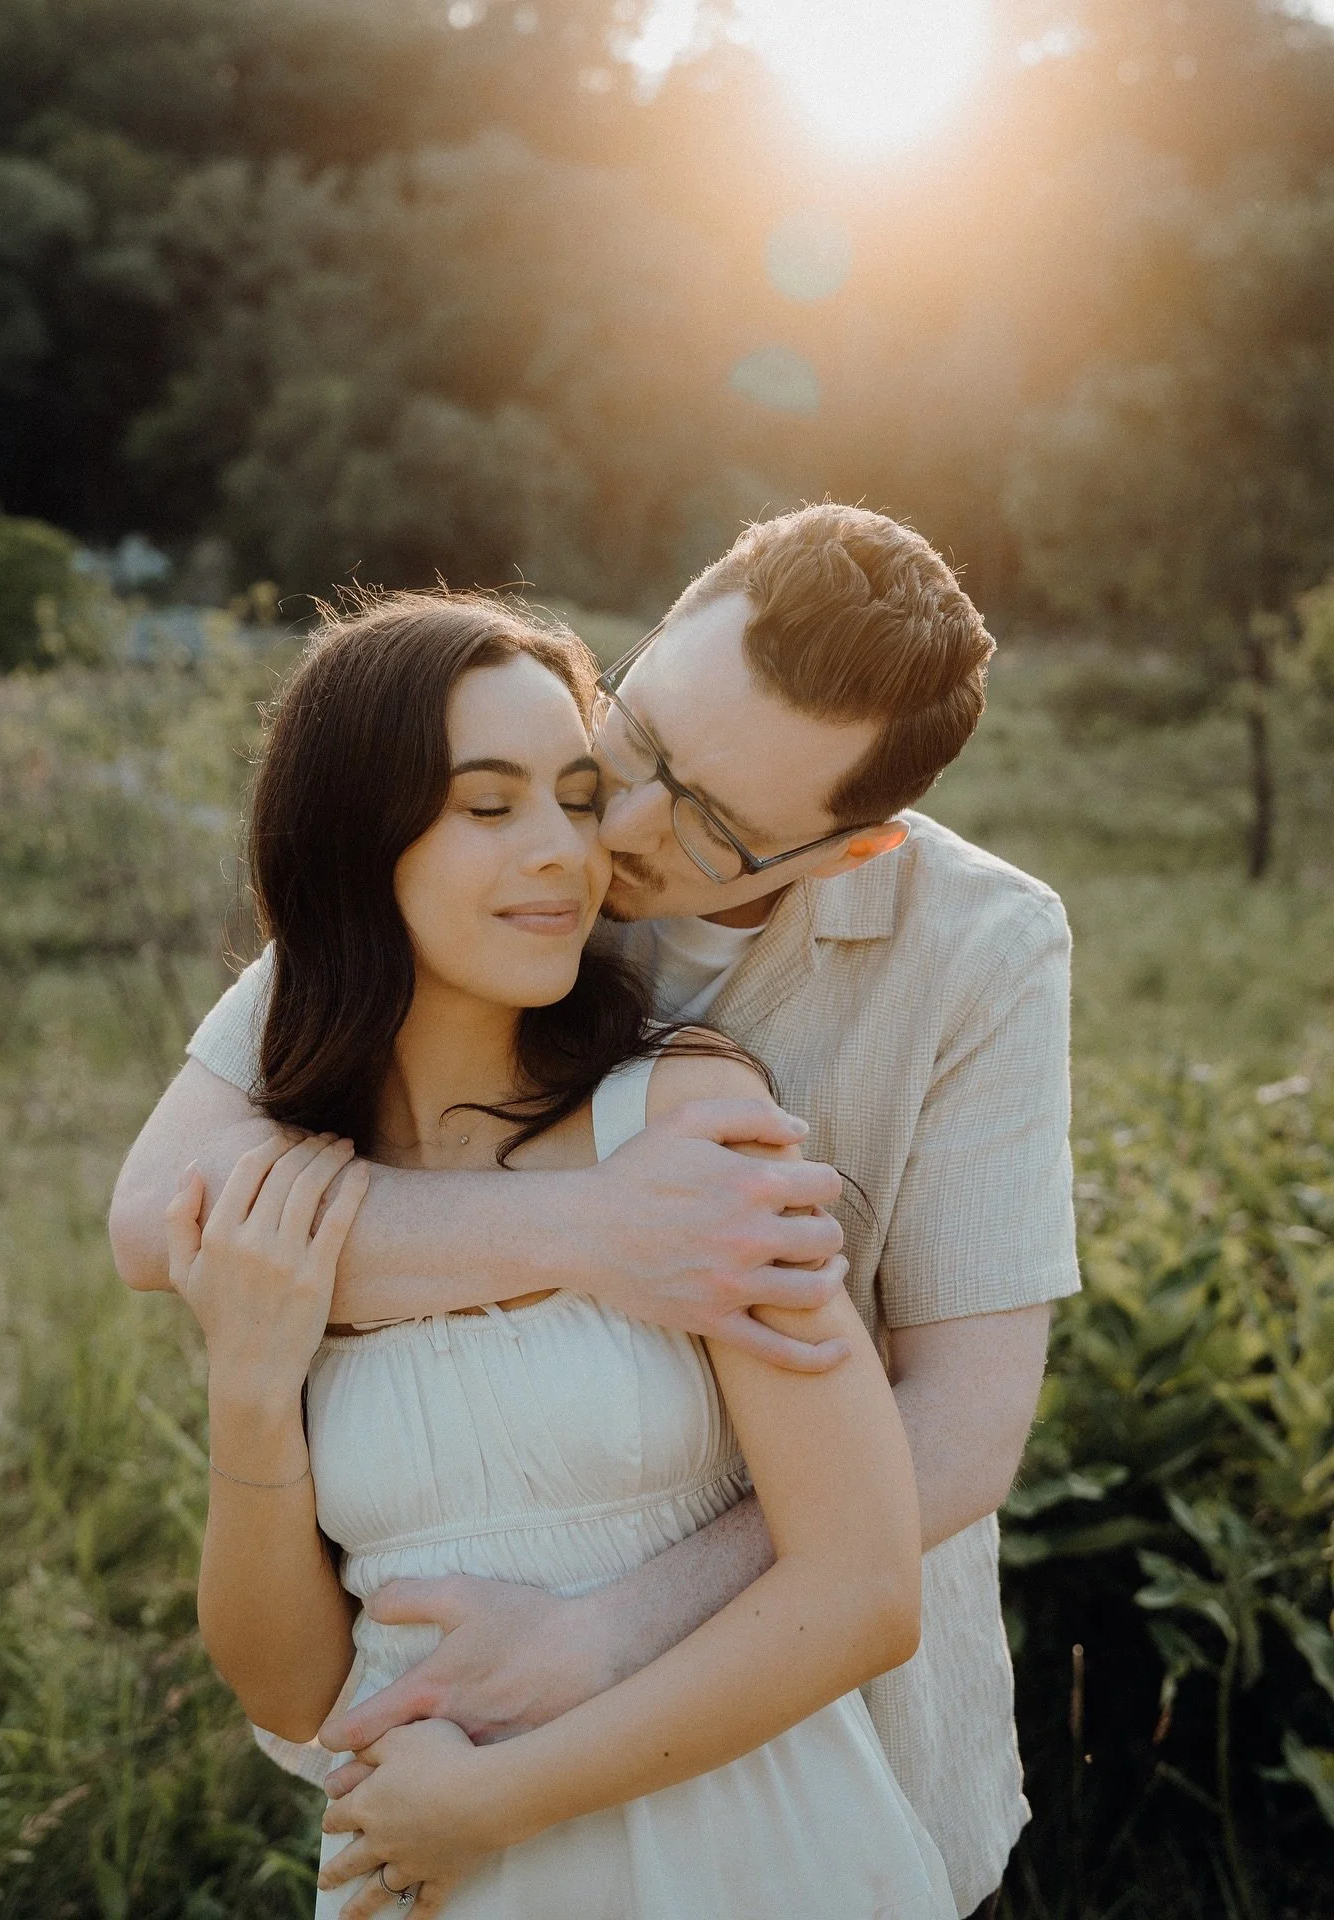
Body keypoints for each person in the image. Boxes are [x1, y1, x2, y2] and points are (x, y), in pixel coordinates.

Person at [110, 504, 1081, 1918]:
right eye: (640, 738)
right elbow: (165, 1222)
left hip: (810, 1756)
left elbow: (965, 1423)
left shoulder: (977, 952)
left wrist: (613, 1633)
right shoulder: (496, 838)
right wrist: (596, 1230)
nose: (613, 832)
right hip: (442, 1784)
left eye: (710, 824)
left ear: (844, 853)